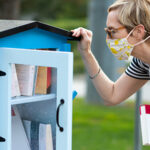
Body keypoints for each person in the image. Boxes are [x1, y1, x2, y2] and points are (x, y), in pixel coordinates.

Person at [71, 0, 150, 106]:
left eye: (112, 31)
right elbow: (112, 95)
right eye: (107, 32)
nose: (108, 39)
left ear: (138, 31)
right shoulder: (142, 62)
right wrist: (86, 53)